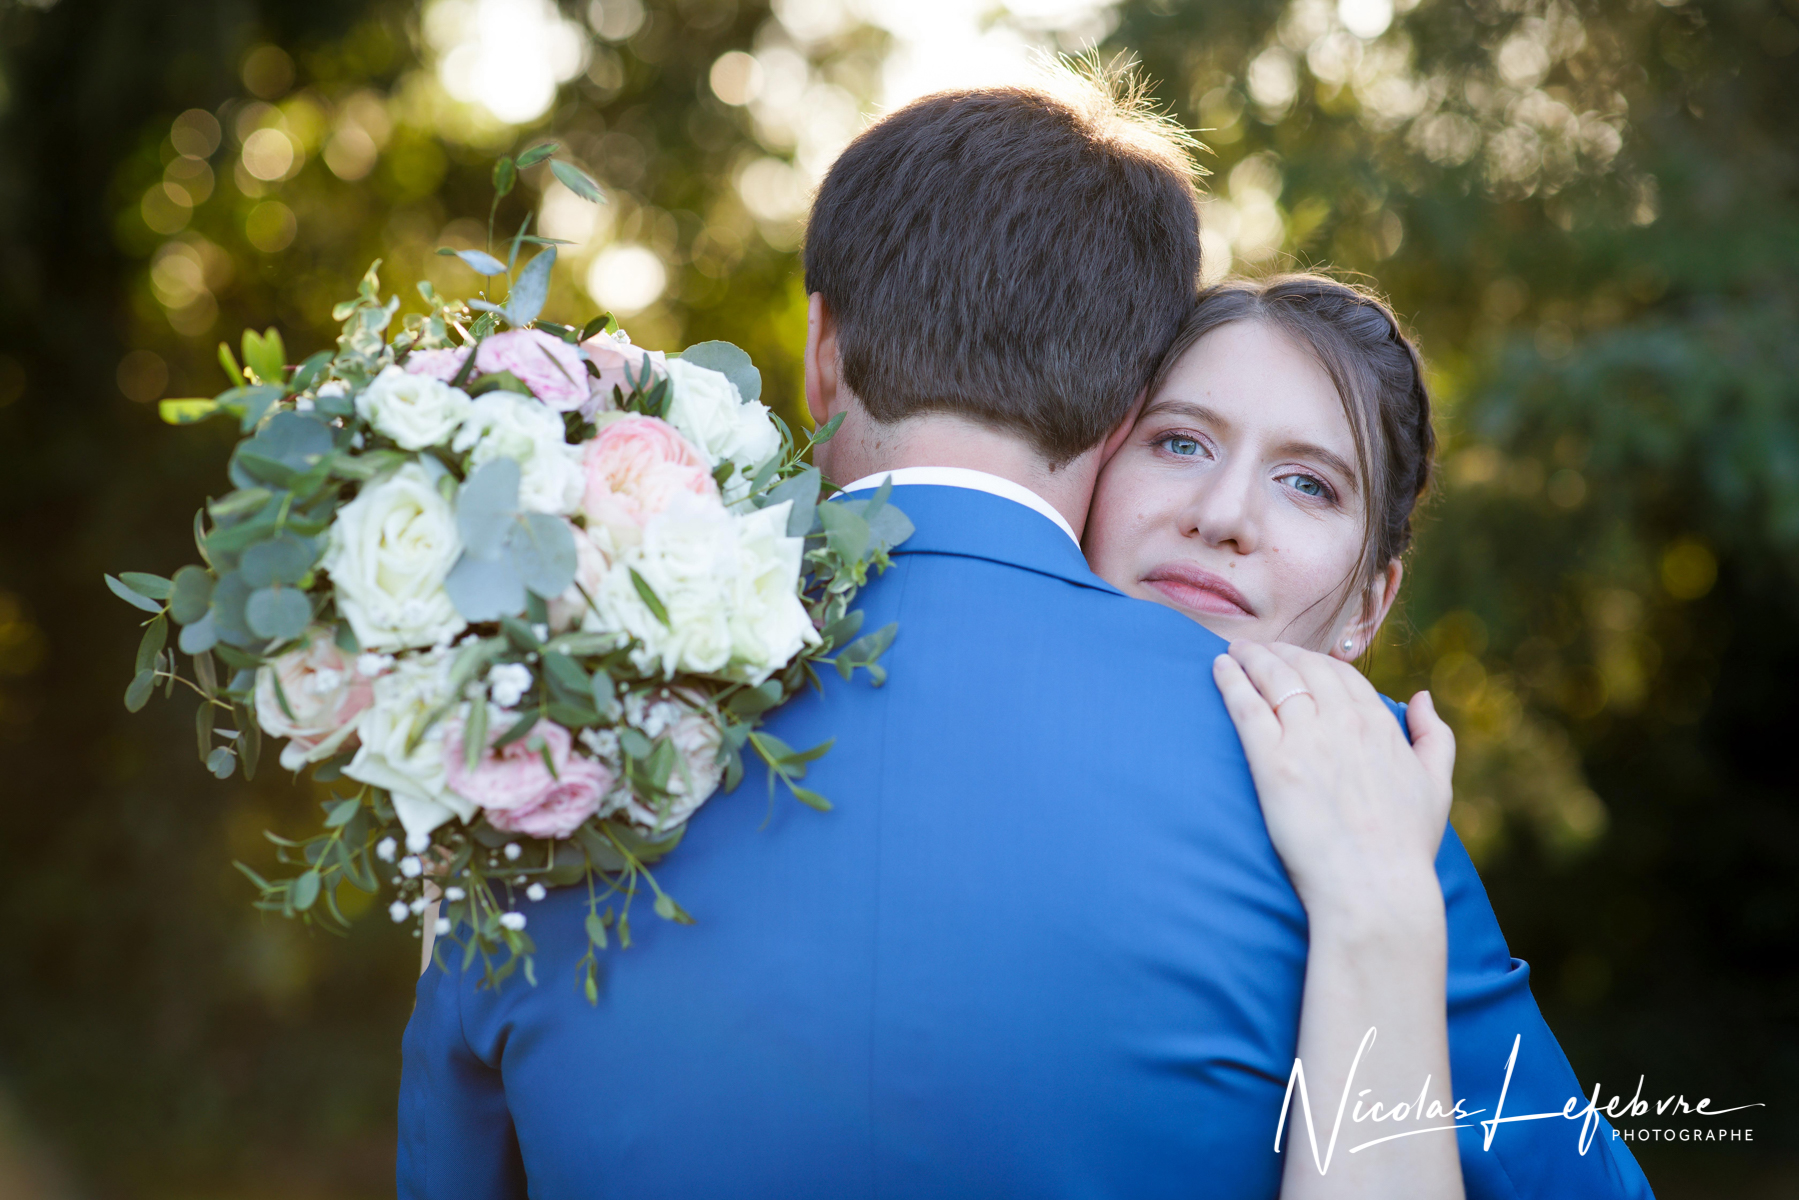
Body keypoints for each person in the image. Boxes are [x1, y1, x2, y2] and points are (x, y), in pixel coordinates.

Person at [397, 78, 1655, 1199]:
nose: (1222, 517)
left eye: (1306, 484)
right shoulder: (1344, 789)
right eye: (1185, 440)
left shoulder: (541, 732)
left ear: (820, 350)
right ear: (1120, 413)